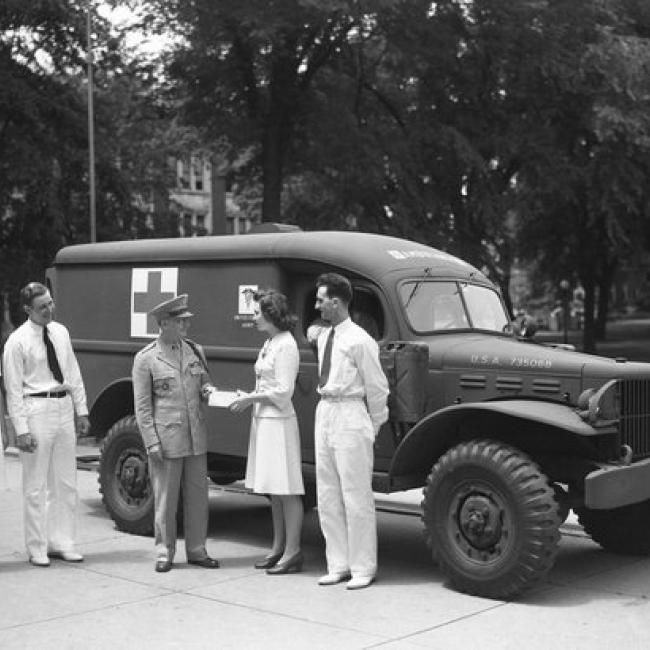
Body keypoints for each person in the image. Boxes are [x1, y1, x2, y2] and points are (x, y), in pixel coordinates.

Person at [2, 282, 90, 566]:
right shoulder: (17, 342)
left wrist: (81, 410)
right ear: (28, 309)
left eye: (51, 303)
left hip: (63, 405)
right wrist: (22, 429)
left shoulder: (61, 332)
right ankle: (37, 546)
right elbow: (13, 390)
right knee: (36, 484)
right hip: (35, 407)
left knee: (66, 482)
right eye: (43, 307)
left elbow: (72, 372)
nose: (49, 310)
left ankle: (63, 541)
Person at [132, 293, 220, 573]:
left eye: (186, 321)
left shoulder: (195, 350)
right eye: (180, 322)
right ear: (164, 323)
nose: (186, 326)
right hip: (167, 439)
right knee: (166, 498)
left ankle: (197, 550)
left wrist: (210, 392)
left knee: (198, 497)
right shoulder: (146, 359)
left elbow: (205, 384)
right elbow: (143, 407)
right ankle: (164, 552)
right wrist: (151, 442)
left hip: (195, 437)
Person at [313, 272, 389, 590]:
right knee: (327, 494)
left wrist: (370, 428)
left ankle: (362, 567)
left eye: (320, 300)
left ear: (336, 301)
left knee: (355, 495)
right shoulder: (324, 337)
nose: (317, 306)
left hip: (351, 413)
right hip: (326, 410)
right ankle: (338, 563)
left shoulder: (360, 340)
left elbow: (378, 388)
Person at [230, 289, 304, 574]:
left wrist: (250, 398)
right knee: (274, 489)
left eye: (258, 312)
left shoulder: (286, 345)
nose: (254, 316)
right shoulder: (270, 342)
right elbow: (266, 384)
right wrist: (250, 395)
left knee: (286, 489)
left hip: (279, 422)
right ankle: (278, 547)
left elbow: (284, 392)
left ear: (272, 314)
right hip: (264, 421)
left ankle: (293, 551)